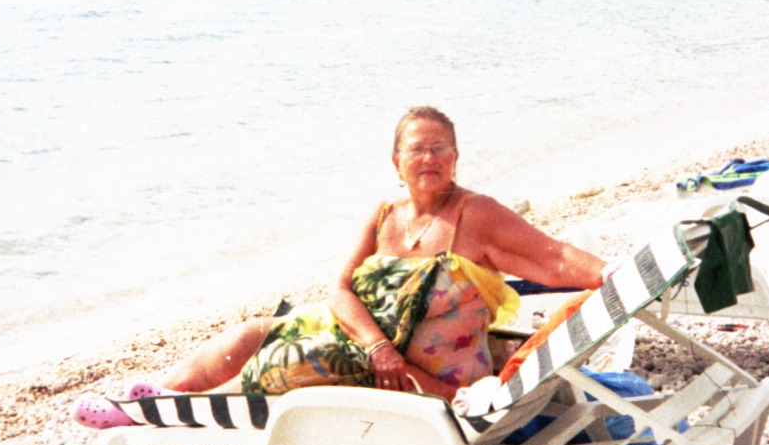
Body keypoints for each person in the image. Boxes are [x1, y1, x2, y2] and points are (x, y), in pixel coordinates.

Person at [74, 108, 607, 426]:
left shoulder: (477, 214)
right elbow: (338, 288)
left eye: (440, 149)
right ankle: (157, 402)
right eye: (417, 149)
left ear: (456, 157)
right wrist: (378, 347)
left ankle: (167, 410)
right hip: (372, 355)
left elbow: (553, 257)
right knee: (255, 332)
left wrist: (617, 275)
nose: (430, 159)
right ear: (395, 163)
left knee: (287, 351)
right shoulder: (383, 214)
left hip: (435, 385)